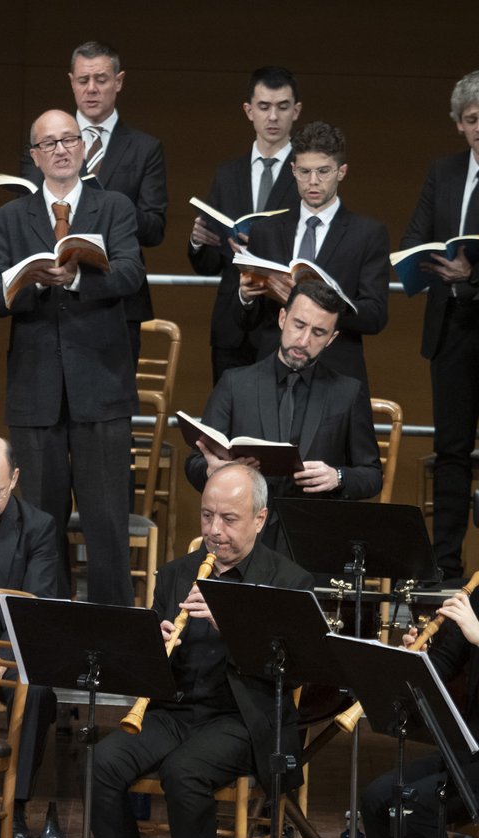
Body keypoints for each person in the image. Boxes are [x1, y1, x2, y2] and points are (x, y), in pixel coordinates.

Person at [91, 463, 313, 838]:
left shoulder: (289, 581)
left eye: (229, 519)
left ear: (260, 519)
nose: (214, 530)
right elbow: (147, 664)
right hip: (174, 709)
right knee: (102, 761)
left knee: (184, 772)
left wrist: (234, 628)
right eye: (207, 515)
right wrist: (148, 646)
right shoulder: (178, 572)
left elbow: (294, 669)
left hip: (241, 718)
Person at [0, 108, 145, 606]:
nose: (60, 149)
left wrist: (76, 278)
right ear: (34, 156)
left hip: (101, 386)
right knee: (38, 527)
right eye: (48, 143)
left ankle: (114, 639)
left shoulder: (113, 207)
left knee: (107, 524)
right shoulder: (11, 217)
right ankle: (44, 643)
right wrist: (25, 282)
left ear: (84, 147)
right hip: (36, 390)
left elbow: (131, 275)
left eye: (69, 139)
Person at [184, 281, 382, 548]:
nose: (304, 341)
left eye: (319, 332)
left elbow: (371, 475)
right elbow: (195, 462)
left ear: (331, 339)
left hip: (314, 541)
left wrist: (337, 476)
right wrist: (214, 471)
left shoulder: (347, 392)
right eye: (299, 325)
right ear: (282, 318)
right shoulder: (235, 383)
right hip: (242, 540)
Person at [19, 40, 166, 366]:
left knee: (111, 410)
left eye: (101, 79)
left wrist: (112, 206)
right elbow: (28, 217)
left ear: (119, 81)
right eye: (83, 80)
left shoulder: (145, 148)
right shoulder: (42, 141)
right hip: (50, 298)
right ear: (71, 82)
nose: (92, 89)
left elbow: (155, 229)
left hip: (119, 300)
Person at [0, 434, 68, 838]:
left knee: (39, 692)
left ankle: (17, 808)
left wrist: (1, 661)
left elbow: (35, 606)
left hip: (14, 652)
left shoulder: (38, 527)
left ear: (15, 479)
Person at [237, 121, 389, 396]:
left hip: (337, 374)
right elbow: (249, 322)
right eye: (305, 172)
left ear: (341, 172)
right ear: (293, 170)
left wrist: (319, 304)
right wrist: (246, 297)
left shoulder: (368, 234)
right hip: (271, 372)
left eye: (323, 171)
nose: (313, 181)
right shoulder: (266, 231)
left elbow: (375, 317)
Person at [399, 70, 479, 585]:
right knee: (452, 450)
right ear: (458, 124)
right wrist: (428, 261)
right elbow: (415, 235)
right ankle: (447, 565)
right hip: (451, 328)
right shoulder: (444, 172)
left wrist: (474, 277)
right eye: (472, 119)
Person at [361, 584, 479, 838]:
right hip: (471, 748)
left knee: (420, 807)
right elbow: (443, 663)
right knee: (377, 799)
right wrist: (418, 660)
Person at [188, 66, 302, 383]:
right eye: (264, 107)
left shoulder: (307, 175)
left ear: (296, 111)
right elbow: (208, 263)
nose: (273, 117)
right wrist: (198, 242)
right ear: (249, 111)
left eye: (282, 107)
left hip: (281, 322)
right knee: (225, 425)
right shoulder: (228, 175)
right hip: (230, 327)